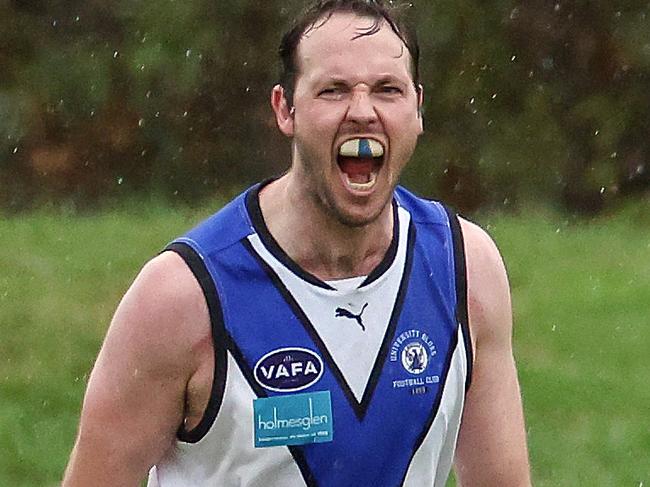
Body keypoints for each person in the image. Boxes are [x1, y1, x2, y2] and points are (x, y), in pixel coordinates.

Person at [63, 1, 532, 485]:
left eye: (387, 90)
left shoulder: (464, 268)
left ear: (416, 109)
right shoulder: (182, 298)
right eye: (334, 90)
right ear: (285, 109)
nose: (363, 112)